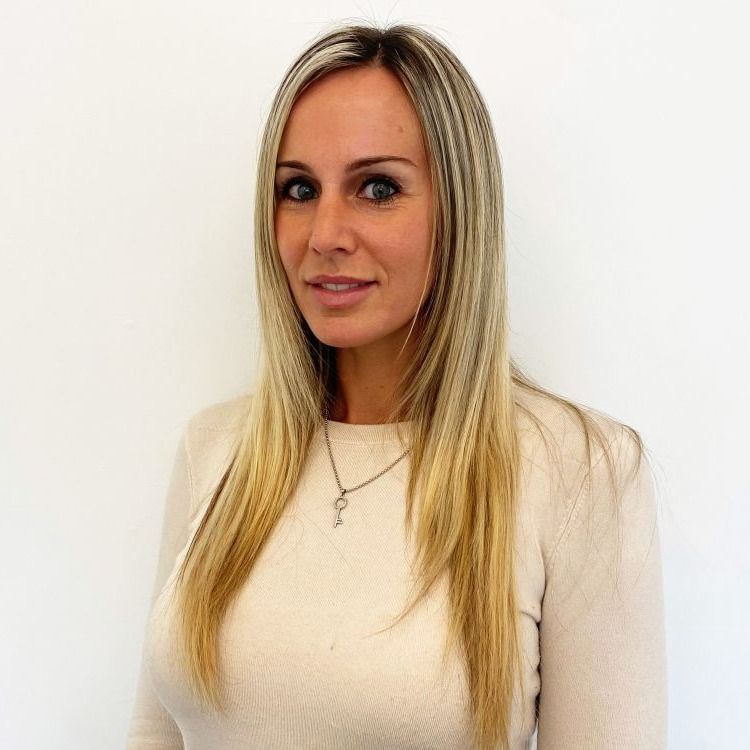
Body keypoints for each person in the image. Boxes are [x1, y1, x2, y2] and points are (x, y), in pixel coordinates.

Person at [125, 21, 667, 750]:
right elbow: (154, 733)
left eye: (377, 188)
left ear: (459, 210)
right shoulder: (218, 450)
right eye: (298, 189)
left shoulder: (580, 471)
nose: (324, 233)